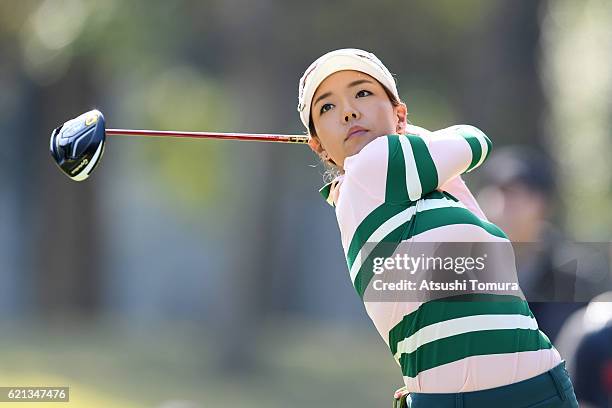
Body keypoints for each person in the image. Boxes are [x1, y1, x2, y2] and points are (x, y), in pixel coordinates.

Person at [297, 48, 578, 407]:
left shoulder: (428, 196)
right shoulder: (371, 167)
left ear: (398, 112)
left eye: (363, 93)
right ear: (319, 146)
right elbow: (475, 141)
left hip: (532, 391)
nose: (348, 110)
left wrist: (401, 130)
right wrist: (402, 129)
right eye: (327, 107)